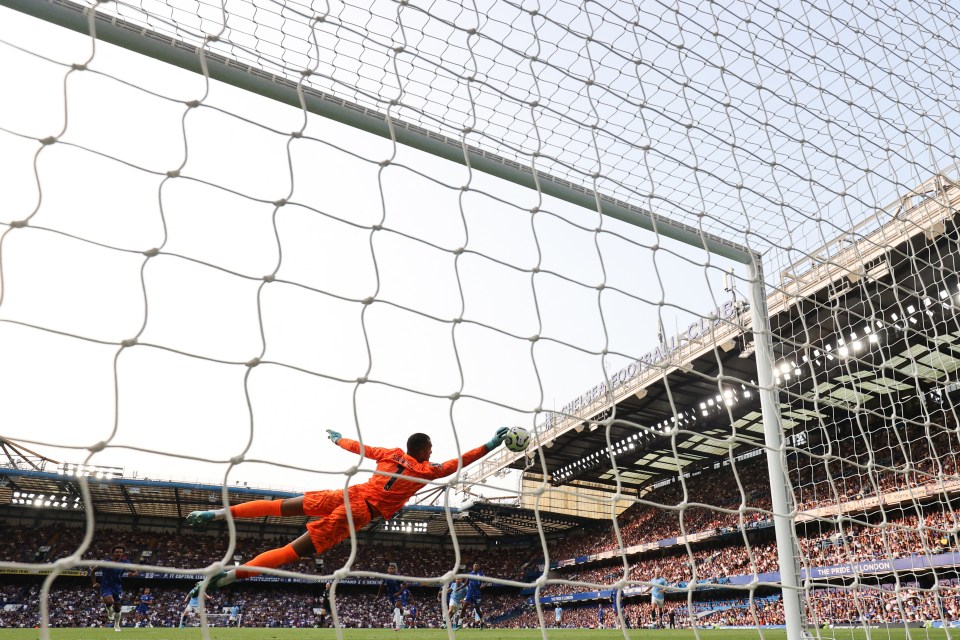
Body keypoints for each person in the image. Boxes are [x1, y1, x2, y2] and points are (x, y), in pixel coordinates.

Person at [185, 428, 509, 590]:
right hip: (360, 511)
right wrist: (491, 445)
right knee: (289, 552)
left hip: (346, 493)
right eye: (430, 448)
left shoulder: (390, 453)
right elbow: (457, 463)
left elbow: (360, 448)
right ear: (423, 450)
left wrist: (338, 440)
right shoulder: (426, 470)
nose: (433, 451)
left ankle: (215, 515)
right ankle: (225, 579)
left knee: (280, 506)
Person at [89, 544, 136, 632]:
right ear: (112, 553)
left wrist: (132, 574)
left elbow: (135, 572)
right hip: (106, 586)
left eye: (121, 552)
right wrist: (94, 583)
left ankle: (117, 625)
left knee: (117, 608)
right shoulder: (105, 562)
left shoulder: (126, 563)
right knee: (110, 601)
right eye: (117, 552)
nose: (119, 553)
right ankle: (109, 609)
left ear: (123, 553)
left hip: (117, 587)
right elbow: (92, 571)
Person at [465, 562, 486, 629]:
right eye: (475, 566)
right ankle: (459, 623)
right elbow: (466, 583)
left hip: (477, 594)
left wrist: (483, 585)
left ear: (479, 567)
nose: (476, 567)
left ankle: (482, 621)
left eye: (477, 566)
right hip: (470, 593)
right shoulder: (470, 574)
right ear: (473, 567)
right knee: (465, 606)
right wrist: (459, 588)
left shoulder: (481, 574)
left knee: (477, 609)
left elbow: (485, 582)